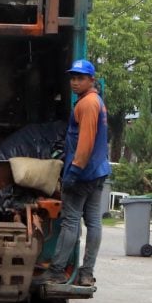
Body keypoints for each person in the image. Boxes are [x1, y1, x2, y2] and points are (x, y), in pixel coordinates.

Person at [37, 59, 110, 288]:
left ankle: (57, 271)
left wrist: (74, 171)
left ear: (92, 80)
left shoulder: (87, 104)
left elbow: (86, 143)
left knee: (70, 223)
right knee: (94, 222)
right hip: (98, 172)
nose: (75, 82)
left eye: (80, 78)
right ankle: (86, 273)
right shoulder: (96, 101)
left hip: (82, 175)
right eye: (73, 77)